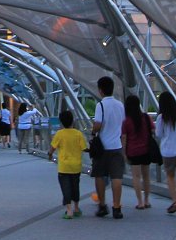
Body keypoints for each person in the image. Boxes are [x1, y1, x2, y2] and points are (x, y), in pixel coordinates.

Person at [91, 75, 126, 218]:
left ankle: (102, 205)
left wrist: (93, 131)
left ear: (100, 90)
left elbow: (98, 124)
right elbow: (123, 124)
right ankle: (116, 207)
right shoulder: (120, 105)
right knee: (116, 177)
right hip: (116, 146)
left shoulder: (101, 105)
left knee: (100, 175)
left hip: (103, 147)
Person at [49, 110, 87, 218]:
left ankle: (69, 210)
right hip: (76, 166)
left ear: (61, 122)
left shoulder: (59, 134)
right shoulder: (78, 133)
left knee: (66, 188)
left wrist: (50, 155)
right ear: (72, 121)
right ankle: (76, 208)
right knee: (75, 187)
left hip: (64, 167)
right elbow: (84, 148)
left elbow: (53, 147)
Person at [122, 95, 155, 210]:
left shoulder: (126, 121)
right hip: (146, 150)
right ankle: (146, 200)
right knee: (146, 176)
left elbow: (124, 138)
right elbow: (153, 130)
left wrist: (124, 153)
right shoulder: (146, 117)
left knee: (136, 176)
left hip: (133, 151)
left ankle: (140, 202)